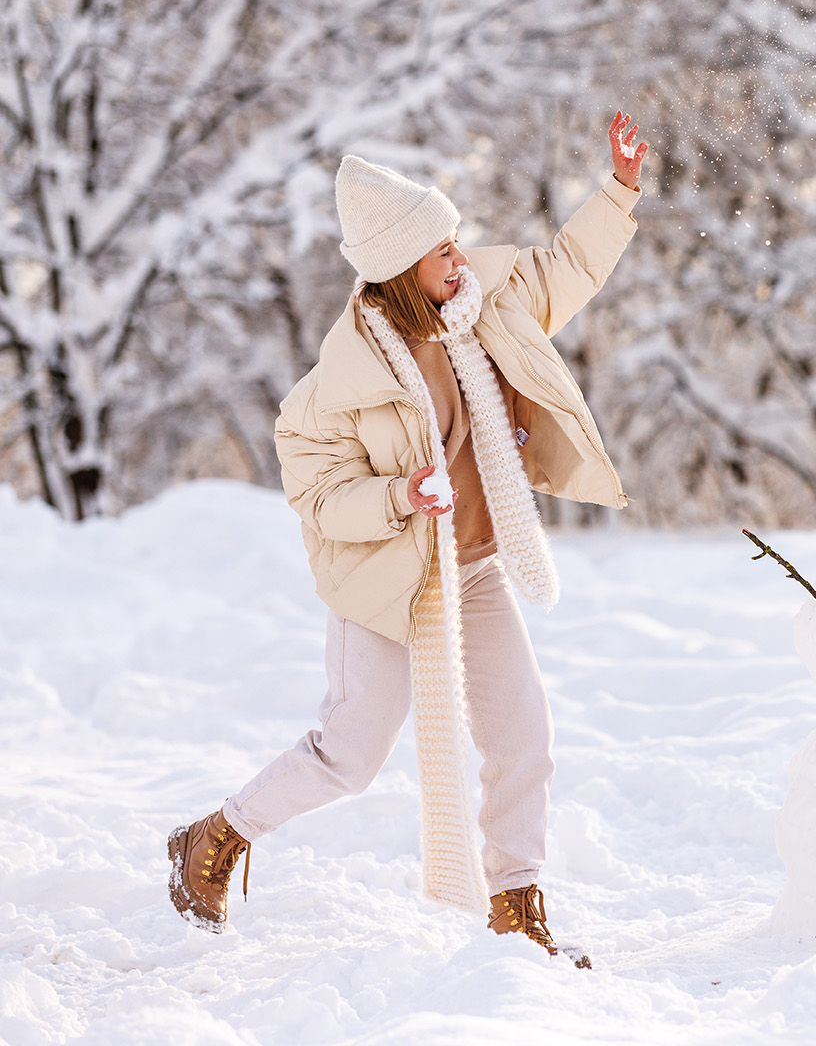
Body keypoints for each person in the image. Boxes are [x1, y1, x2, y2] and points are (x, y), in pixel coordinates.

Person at [166, 114, 650, 968]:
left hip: (474, 569)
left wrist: (618, 189)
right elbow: (317, 496)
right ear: (399, 272)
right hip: (389, 584)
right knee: (350, 756)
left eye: (458, 242)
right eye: (443, 252)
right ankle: (217, 834)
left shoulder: (487, 306)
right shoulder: (336, 384)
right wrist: (398, 494)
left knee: (522, 735)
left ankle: (516, 909)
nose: (461, 260)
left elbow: (567, 267)